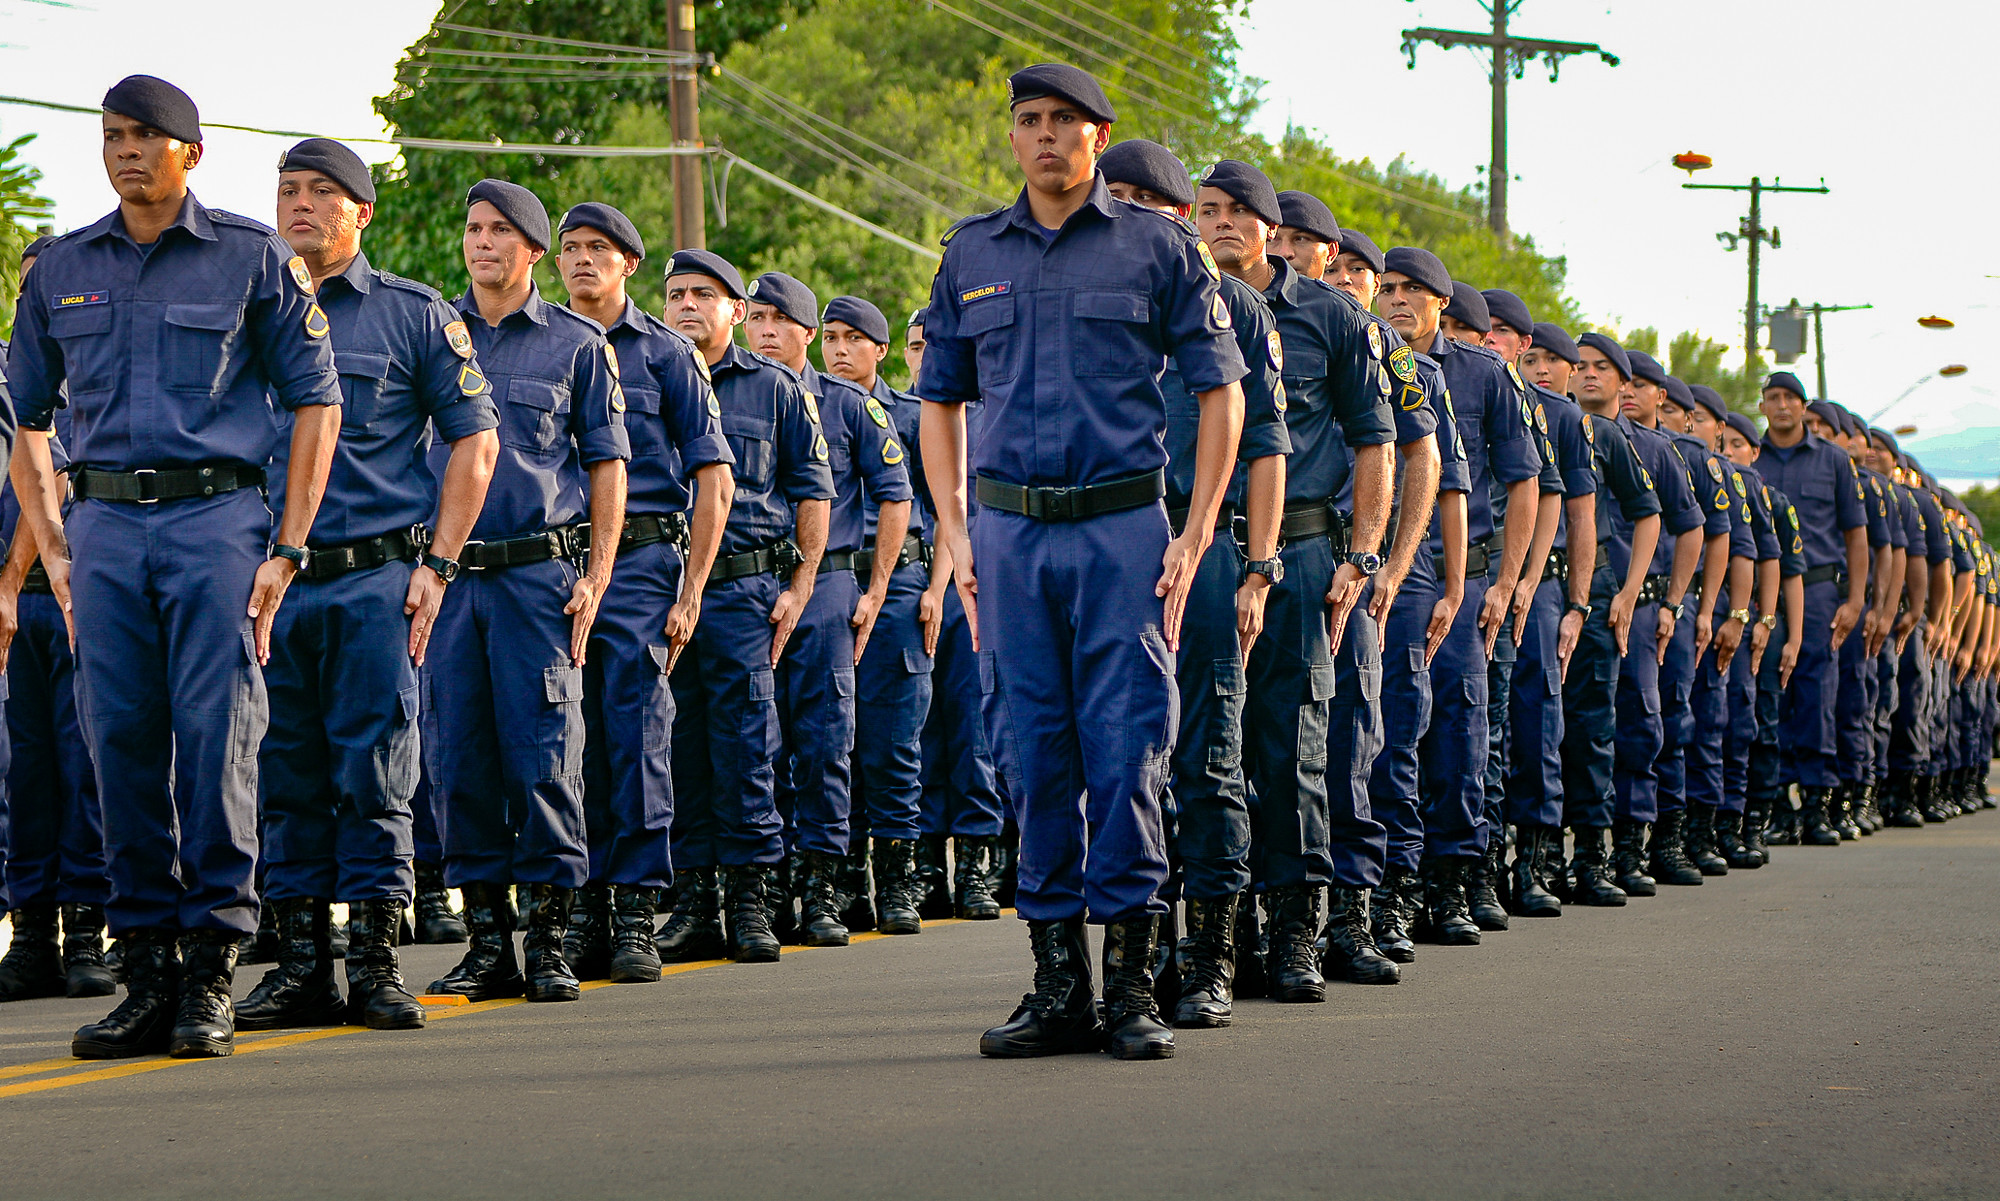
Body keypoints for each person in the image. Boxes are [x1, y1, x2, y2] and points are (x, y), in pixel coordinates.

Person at [920, 64, 1250, 1061]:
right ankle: (1057, 983)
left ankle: (1133, 988)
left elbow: (1220, 390)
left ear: (1098, 137)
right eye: (1029, 121)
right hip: (1011, 537)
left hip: (1121, 533)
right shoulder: (971, 252)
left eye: (1065, 121)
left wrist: (1192, 532)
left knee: (1126, 752)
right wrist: (953, 528)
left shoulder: (1158, 248)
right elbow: (939, 398)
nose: (1046, 136)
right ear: (1012, 138)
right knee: (1029, 751)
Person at [8, 76, 338, 1059]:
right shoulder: (61, 266)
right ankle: (144, 968)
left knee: (217, 740)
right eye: (112, 136)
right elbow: (24, 414)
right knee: (117, 744)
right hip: (104, 528)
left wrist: (287, 547)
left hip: (216, 524)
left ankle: (209, 974)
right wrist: (55, 542)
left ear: (190, 152)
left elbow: (315, 401)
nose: (126, 151)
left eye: (148, 136)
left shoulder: (248, 257)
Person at [230, 140, 500, 1033]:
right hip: (270, 582)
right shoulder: (244, 308)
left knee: (377, 769)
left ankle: (378, 962)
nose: (299, 205)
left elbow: (476, 440)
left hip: (375, 578)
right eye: (288, 190)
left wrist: (439, 565)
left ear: (363, 212)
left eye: (322, 193)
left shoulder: (411, 316)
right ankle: (302, 964)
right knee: (283, 772)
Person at [1100, 139, 1300, 1021]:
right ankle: (1122, 963)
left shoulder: (1234, 310)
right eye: (1121, 195)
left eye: (1153, 199)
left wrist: (1256, 568)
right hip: (1102, 541)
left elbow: (1264, 451)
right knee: (1110, 761)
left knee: (1209, 753)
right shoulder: (1078, 296)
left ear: (1179, 216)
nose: (1134, 209)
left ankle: (1211, 953)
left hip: (1201, 544)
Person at [421, 180, 629, 1005]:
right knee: (459, 758)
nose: (482, 244)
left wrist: (600, 573)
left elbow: (609, 464)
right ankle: (485, 943)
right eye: (473, 229)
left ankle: (547, 942)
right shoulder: (431, 334)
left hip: (538, 580)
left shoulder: (577, 344)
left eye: (501, 231)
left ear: (534, 250)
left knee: (545, 756)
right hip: (451, 579)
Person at [1202, 161, 1396, 999]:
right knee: (1205, 749)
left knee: (1293, 746)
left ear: (1274, 228)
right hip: (1204, 550)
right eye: (1209, 210)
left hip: (1309, 556)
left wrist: (1364, 555)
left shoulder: (1332, 317)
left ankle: (1294, 935)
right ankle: (1218, 932)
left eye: (1243, 212)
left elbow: (1376, 442)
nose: (1225, 224)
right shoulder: (1179, 305)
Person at [554, 202, 733, 983]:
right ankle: (583, 906)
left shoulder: (666, 354)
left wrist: (690, 590)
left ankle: (634, 911)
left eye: (599, 248)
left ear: (630, 264)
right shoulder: (544, 342)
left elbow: (714, 477)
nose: (582, 260)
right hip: (556, 568)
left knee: (635, 736)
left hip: (641, 566)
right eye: (570, 248)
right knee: (566, 744)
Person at [657, 249, 833, 965]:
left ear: (735, 310)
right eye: (675, 295)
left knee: (747, 744)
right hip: (658, 588)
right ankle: (694, 901)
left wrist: (800, 586)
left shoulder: (777, 388)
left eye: (705, 294)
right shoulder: (638, 371)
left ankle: (753, 902)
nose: (687, 306)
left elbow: (813, 490)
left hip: (742, 590)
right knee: (677, 747)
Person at [743, 271, 915, 943]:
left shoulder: (845, 404)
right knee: (759, 744)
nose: (762, 330)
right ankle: (771, 885)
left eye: (776, 319)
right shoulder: (727, 394)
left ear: (805, 334)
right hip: (752, 586)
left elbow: (895, 495)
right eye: (754, 317)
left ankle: (824, 889)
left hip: (830, 589)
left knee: (822, 743)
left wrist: (875, 590)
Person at [1378, 248, 1540, 942]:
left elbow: (1526, 479)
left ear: (1443, 303)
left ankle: (1457, 877)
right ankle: (1393, 881)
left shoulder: (1484, 375)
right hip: (1380, 570)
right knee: (1388, 730)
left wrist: (1506, 582)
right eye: (1386, 288)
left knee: (1459, 731)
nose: (1396, 300)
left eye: (1413, 289)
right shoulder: (1364, 356)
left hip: (1462, 577)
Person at [1516, 324, 1660, 907]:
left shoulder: (1599, 434)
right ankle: (1540, 856)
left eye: (1560, 361)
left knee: (1591, 727)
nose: (1545, 370)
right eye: (1537, 359)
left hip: (1587, 587)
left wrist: (1624, 593)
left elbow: (1647, 512)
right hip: (1519, 579)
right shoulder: (1514, 413)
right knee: (1536, 730)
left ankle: (1594, 858)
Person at [0, 237, 107, 1004]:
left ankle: (87, 931)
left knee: (88, 770)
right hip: (16, 612)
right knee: (24, 775)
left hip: (79, 599)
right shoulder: (9, 375)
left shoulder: (97, 373)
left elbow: (55, 482)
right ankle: (32, 932)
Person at [1756, 371, 1869, 844]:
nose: (1782, 406)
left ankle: (1819, 802)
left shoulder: (1835, 462)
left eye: (1791, 398)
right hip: (1765, 592)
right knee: (1770, 693)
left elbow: (1856, 534)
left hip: (1822, 591)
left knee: (1818, 692)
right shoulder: (1750, 458)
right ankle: (1780, 804)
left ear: (1804, 407)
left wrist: (1856, 598)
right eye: (1773, 397)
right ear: (1762, 406)